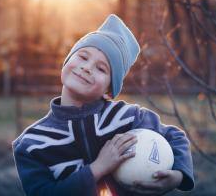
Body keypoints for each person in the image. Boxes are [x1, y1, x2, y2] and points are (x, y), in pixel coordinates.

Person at [12, 14, 194, 196]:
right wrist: (97, 168)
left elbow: (175, 137)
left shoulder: (129, 118)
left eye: (101, 68)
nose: (87, 67)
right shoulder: (32, 144)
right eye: (83, 57)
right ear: (66, 62)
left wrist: (178, 176)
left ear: (109, 90)